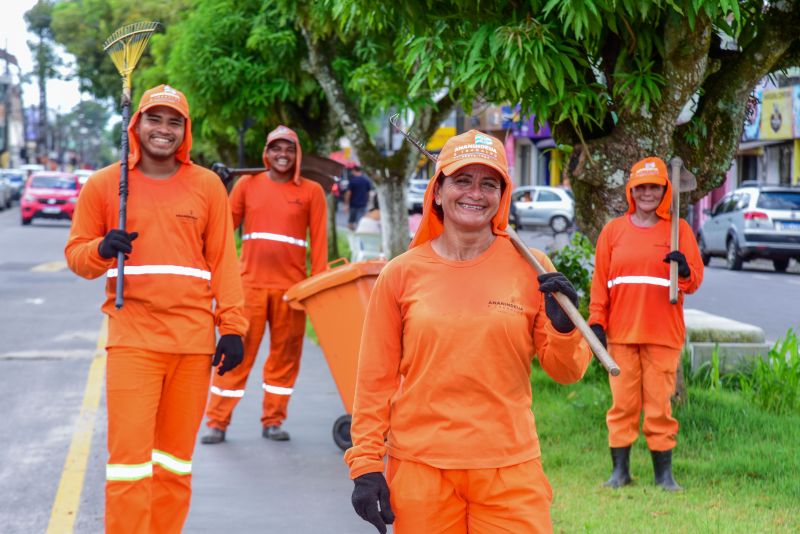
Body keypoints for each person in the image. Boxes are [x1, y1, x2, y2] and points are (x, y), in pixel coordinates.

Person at [345, 130, 592, 533]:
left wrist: (565, 326)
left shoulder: (533, 268)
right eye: (462, 180)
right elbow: (375, 380)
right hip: (422, 469)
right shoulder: (401, 274)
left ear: (502, 196)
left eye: (488, 183)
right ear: (437, 192)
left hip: (509, 469)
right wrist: (366, 464)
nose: (475, 193)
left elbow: (567, 372)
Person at [64, 84, 247, 533]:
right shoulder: (107, 185)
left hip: (192, 343)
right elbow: (76, 256)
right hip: (133, 341)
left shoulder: (206, 185)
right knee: (128, 466)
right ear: (136, 124)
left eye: (174, 121)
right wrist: (102, 249)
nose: (163, 129)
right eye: (155, 118)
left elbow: (225, 261)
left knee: (174, 465)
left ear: (185, 131)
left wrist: (233, 327)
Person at [201, 125, 328, 444]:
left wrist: (321, 289)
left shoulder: (311, 192)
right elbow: (222, 229)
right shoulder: (246, 185)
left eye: (289, 149)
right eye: (276, 148)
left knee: (285, 359)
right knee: (234, 356)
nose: (282, 155)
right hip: (249, 289)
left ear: (297, 155)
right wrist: (219, 189)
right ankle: (217, 421)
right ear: (266, 153)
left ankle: (273, 419)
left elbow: (322, 244)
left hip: (292, 292)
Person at [589, 156, 704, 492]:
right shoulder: (613, 232)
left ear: (665, 190)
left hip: (663, 334)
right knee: (622, 405)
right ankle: (620, 472)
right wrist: (597, 323)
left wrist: (683, 270)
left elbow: (694, 280)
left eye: (654, 187)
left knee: (659, 406)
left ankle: (663, 476)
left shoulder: (677, 229)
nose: (648, 193)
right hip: (621, 335)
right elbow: (600, 284)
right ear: (631, 191)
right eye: (641, 187)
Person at [344, 165, 373, 230]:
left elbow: (348, 193)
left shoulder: (352, 181)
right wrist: (368, 202)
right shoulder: (366, 180)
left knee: (350, 222)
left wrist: (346, 205)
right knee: (359, 223)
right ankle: (358, 237)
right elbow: (368, 193)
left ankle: (352, 237)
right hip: (363, 204)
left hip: (353, 205)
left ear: (354, 170)